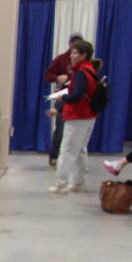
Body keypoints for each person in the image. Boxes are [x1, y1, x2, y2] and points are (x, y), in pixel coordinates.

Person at [47, 40, 100, 194]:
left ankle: (61, 184)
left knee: (68, 150)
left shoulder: (81, 72)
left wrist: (62, 98)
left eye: (75, 53)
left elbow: (77, 95)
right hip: (89, 115)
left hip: (78, 115)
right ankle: (78, 182)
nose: (71, 56)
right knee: (80, 149)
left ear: (84, 55)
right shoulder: (90, 69)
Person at [45, 33, 84, 167]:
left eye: (78, 43)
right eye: (73, 42)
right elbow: (48, 75)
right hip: (63, 96)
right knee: (61, 128)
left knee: (76, 131)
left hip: (77, 97)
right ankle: (54, 156)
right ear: (69, 43)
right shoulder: (61, 59)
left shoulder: (84, 62)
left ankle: (72, 159)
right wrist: (57, 77)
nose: (75, 45)